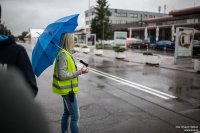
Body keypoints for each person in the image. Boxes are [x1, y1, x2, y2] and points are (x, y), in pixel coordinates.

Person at [52, 33, 89, 133]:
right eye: (73, 39)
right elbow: (62, 75)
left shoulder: (66, 53)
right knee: (75, 117)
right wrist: (79, 72)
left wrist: (81, 72)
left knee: (67, 113)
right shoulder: (63, 54)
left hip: (67, 90)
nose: (74, 41)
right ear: (68, 41)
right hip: (68, 92)